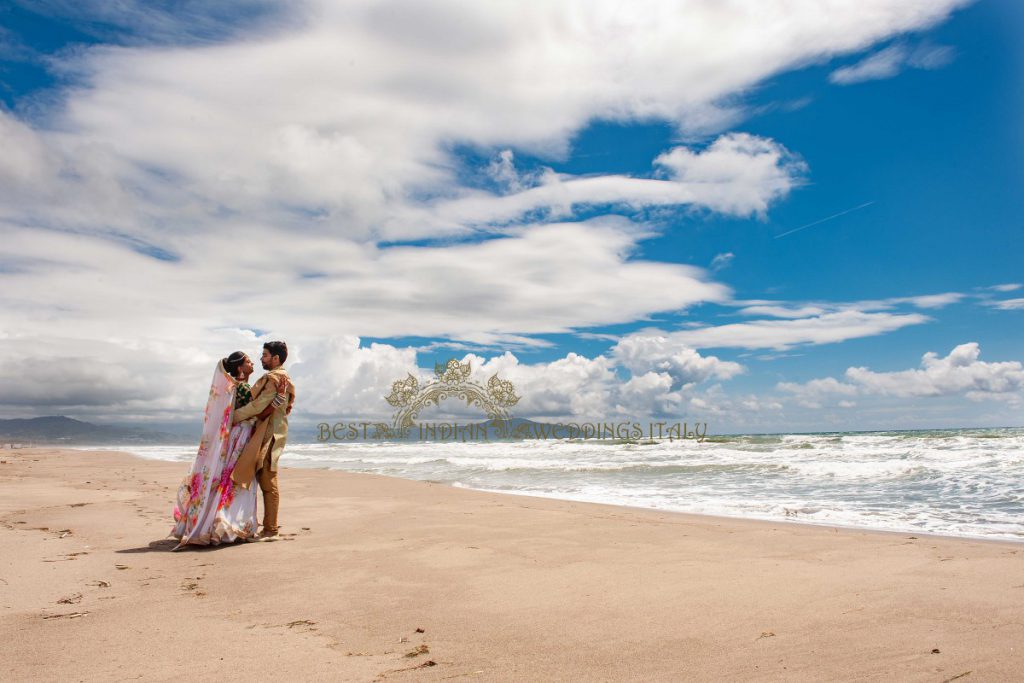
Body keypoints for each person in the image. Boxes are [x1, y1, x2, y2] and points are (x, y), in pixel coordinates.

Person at [170, 351, 289, 549]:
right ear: (240, 369)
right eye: (249, 362)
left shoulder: (234, 387)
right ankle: (226, 525)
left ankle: (218, 523)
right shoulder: (242, 388)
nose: (253, 363)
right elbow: (256, 411)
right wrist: (280, 398)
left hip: (235, 435)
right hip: (241, 437)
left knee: (227, 479)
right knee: (236, 479)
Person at [230, 340, 296, 539]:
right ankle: (267, 526)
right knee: (264, 478)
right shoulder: (280, 378)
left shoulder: (275, 378)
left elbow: (257, 406)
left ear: (276, 358)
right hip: (269, 431)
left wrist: (231, 417)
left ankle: (270, 528)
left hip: (270, 434)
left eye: (265, 355)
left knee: (268, 480)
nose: (261, 359)